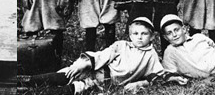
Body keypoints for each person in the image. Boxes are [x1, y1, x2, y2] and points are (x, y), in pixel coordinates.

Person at [17, 17, 167, 94]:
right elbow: (104, 55)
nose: (139, 37)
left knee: (74, 89)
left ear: (152, 36)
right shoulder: (122, 45)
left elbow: (157, 75)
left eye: (144, 34)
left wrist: (140, 83)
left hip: (104, 82)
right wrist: (85, 64)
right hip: (94, 69)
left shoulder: (151, 55)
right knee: (68, 74)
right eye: (135, 33)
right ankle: (26, 80)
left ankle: (28, 91)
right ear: (130, 35)